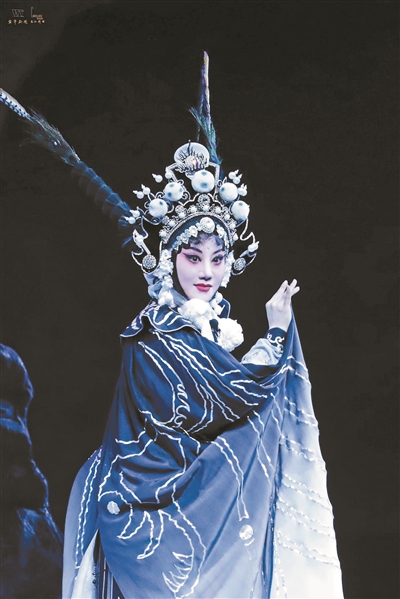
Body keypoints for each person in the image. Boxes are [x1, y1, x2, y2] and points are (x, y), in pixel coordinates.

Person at [1, 54, 343, 599]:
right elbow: (222, 404)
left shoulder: (214, 327)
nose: (207, 272)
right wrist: (276, 337)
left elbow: (231, 397)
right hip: (148, 502)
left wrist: (271, 339)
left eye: (218, 258)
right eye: (193, 256)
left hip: (204, 504)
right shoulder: (154, 333)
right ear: (170, 259)